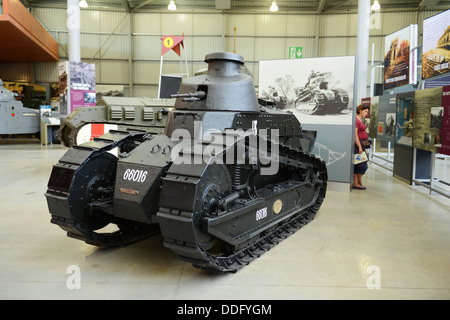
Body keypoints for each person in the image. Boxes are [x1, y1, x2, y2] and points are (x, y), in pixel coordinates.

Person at [354, 104, 370, 190]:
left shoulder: (360, 119)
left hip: (362, 144)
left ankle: (357, 182)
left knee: (358, 164)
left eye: (367, 112)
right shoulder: (356, 120)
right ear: (360, 111)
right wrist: (359, 147)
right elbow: (355, 135)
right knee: (362, 165)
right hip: (358, 145)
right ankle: (358, 182)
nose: (366, 113)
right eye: (365, 111)